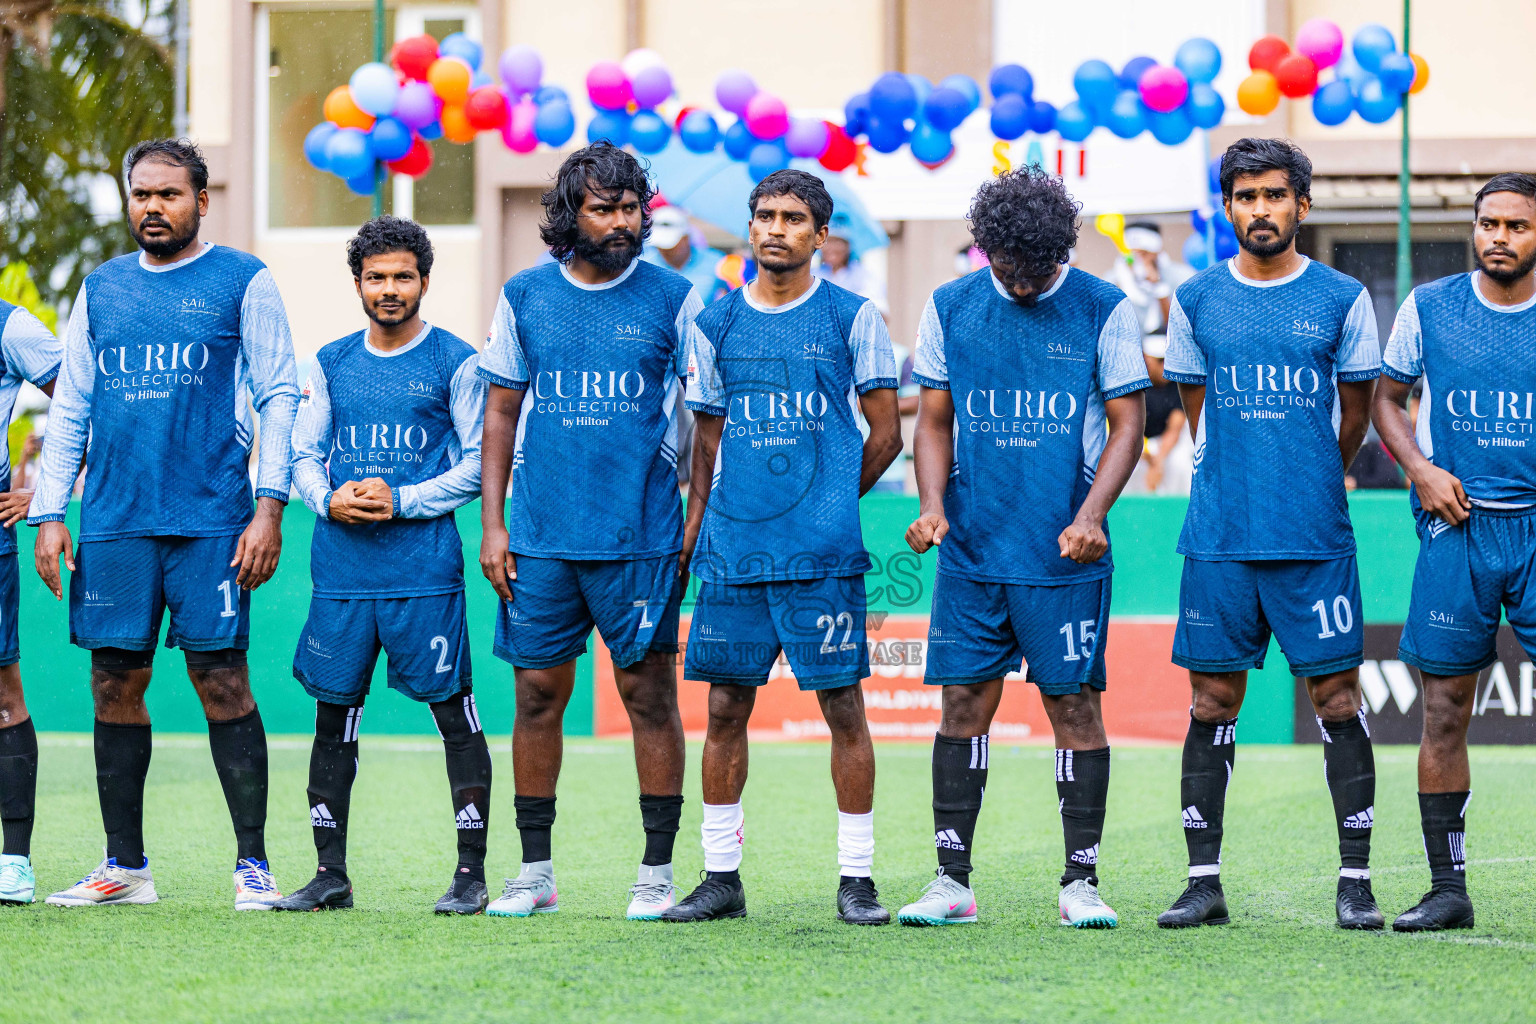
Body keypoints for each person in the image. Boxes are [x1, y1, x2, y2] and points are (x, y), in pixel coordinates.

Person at [30, 138, 300, 909]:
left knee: (222, 678)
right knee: (113, 680)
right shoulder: (102, 288)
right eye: (141, 194)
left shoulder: (242, 279)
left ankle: (253, 866)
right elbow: (72, 404)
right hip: (115, 520)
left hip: (212, 519)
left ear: (201, 201)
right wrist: (51, 513)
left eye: (169, 194)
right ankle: (125, 867)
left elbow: (279, 392)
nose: (153, 207)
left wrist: (269, 506)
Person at [893, 169, 1149, 929]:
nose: (1023, 281)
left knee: (1074, 707)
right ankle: (952, 883)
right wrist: (931, 506)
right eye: (1008, 265)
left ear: (1061, 250)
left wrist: (1092, 515)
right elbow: (933, 420)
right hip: (973, 551)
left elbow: (1129, 425)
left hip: (1065, 556)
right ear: (988, 249)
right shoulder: (951, 306)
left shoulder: (1104, 307)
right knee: (962, 703)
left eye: (1038, 266)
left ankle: (1081, 884)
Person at [662, 169, 901, 925]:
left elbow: (887, 433)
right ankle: (720, 877)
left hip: (822, 558)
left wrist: (826, 501)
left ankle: (857, 879)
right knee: (725, 707)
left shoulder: (853, 317)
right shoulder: (716, 323)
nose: (775, 228)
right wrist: (694, 533)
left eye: (794, 218)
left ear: (821, 235)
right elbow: (706, 444)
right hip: (733, 554)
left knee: (843, 708)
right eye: (765, 215)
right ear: (750, 227)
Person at [1157, 138, 1383, 930]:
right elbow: (1196, 410)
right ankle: (1202, 883)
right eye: (1246, 197)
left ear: (1302, 205)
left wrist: (1307, 473)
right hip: (1220, 536)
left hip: (1313, 536)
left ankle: (1356, 882)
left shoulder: (1343, 296)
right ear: (1228, 208)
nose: (1261, 209)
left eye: (1275, 195)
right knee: (1212, 699)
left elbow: (1354, 416)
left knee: (1337, 697)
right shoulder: (1195, 298)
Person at [477, 143, 702, 920]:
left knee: (648, 696)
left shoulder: (675, 297)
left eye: (630, 208)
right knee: (537, 695)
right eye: (604, 209)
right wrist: (493, 526)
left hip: (641, 538)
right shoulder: (524, 295)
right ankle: (534, 872)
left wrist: (695, 517)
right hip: (539, 538)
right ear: (569, 215)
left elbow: (708, 418)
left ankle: (656, 873)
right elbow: (499, 413)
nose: (620, 222)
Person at [275, 217, 491, 915]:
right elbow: (304, 454)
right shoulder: (329, 362)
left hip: (424, 573)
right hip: (342, 575)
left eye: (402, 276)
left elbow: (479, 465)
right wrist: (325, 498)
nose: (389, 289)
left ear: (425, 281)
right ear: (358, 284)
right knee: (332, 719)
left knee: (454, 715)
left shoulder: (457, 361)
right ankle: (329, 874)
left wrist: (401, 500)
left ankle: (470, 875)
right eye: (376, 277)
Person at [1372, 172, 1536, 932]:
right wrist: (1422, 470)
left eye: (1517, 226)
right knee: (1443, 710)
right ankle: (1448, 890)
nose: (1499, 237)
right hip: (1457, 527)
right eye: (1488, 223)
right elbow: (1386, 398)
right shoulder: (1430, 306)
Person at [0, 302, 63, 905]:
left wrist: (45, 492)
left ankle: (13, 862)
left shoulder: (10, 325)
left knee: (2, 695)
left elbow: (79, 406)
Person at [643, 205, 726, 305]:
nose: (664, 251)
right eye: (659, 245)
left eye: (670, 246)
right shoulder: (644, 266)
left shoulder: (718, 263)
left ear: (686, 238)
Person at [814, 220, 887, 311]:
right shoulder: (813, 275)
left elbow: (878, 308)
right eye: (827, 242)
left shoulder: (863, 276)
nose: (831, 248)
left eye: (837, 242)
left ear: (848, 247)